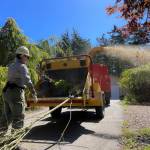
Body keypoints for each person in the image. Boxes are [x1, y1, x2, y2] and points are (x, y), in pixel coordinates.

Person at [0, 46, 38, 135]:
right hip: (16, 93)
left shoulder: (11, 65)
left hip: (6, 93)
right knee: (18, 118)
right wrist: (34, 94)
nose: (28, 59)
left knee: (6, 117)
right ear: (21, 55)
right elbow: (28, 81)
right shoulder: (22, 66)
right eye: (27, 56)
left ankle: (1, 138)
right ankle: (15, 144)